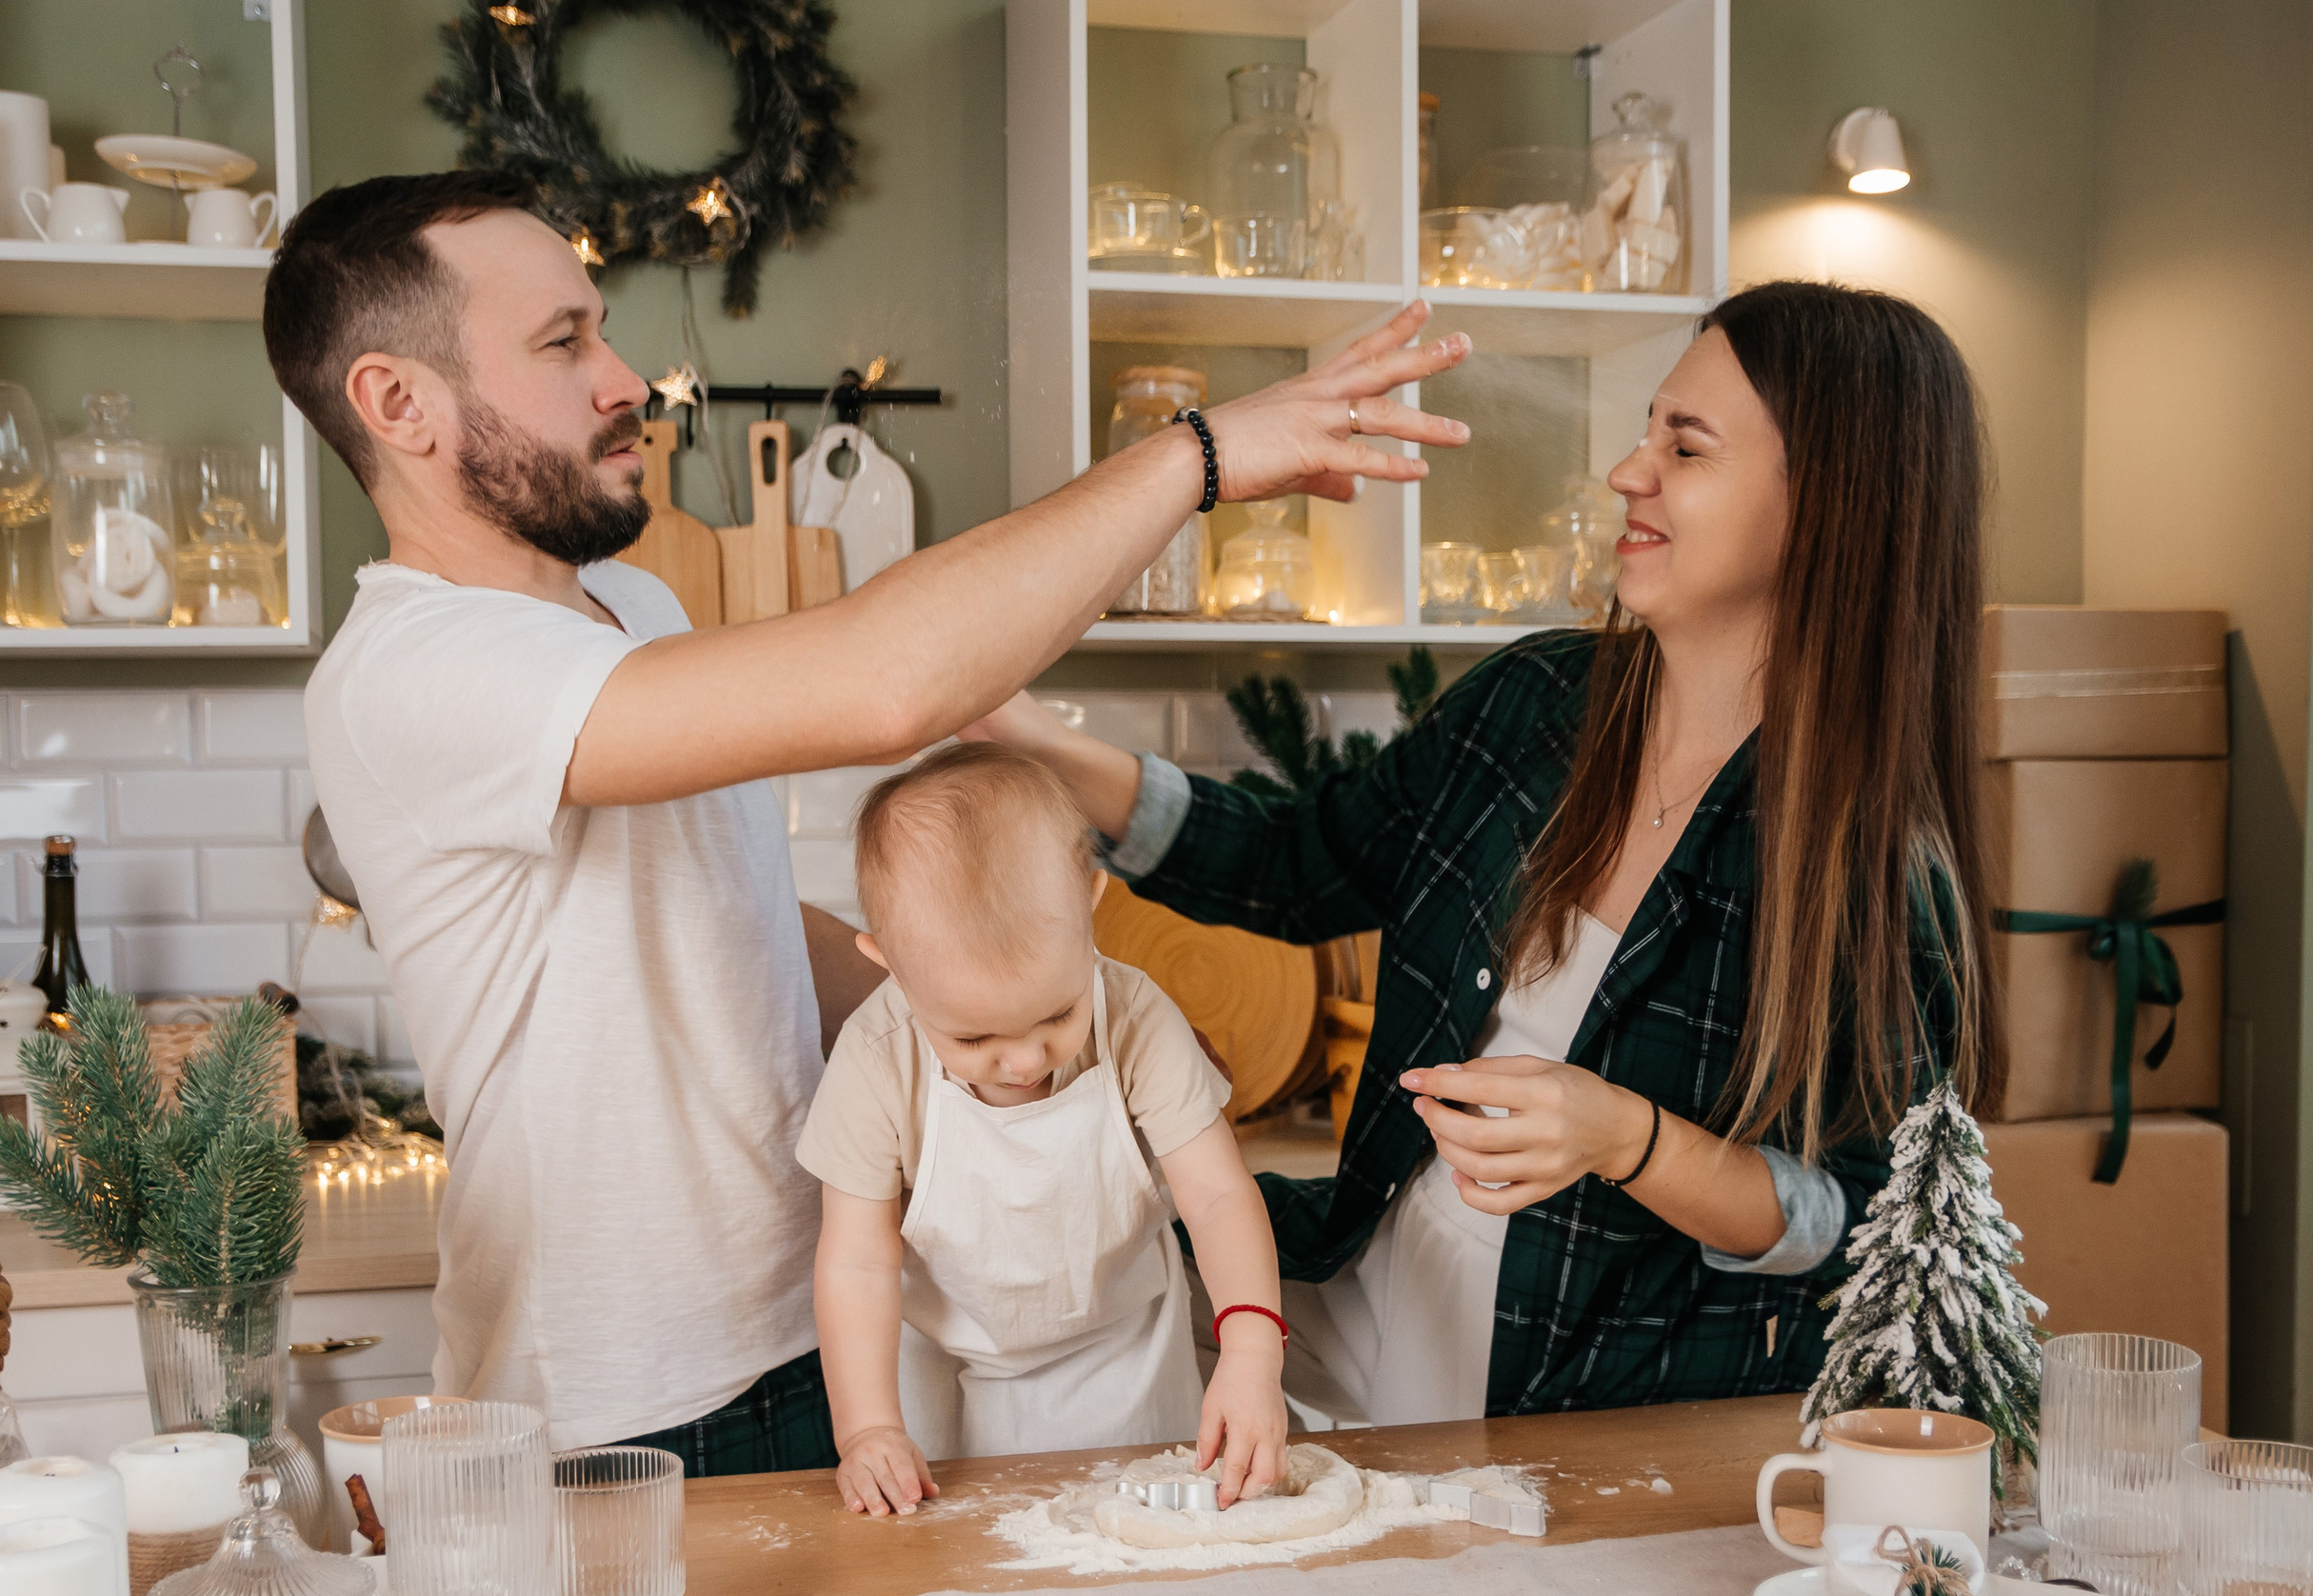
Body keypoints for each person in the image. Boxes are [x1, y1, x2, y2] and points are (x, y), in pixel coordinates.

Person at [265, 170, 1471, 1469]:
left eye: (601, 326)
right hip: (631, 1399)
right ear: (397, 401)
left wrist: (1039, 1013)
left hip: (824, 1325)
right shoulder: (413, 665)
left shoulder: (633, 607)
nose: (625, 378)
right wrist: (1202, 457)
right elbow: (895, 680)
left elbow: (724, 929)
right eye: (564, 342)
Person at [966, 280, 2001, 1426]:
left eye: (1686, 447)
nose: (1628, 472)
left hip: (1583, 1402)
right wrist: (1033, 743)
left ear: (1828, 508)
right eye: (1646, 428)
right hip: (1363, 1302)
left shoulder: (1872, 870)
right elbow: (1301, 860)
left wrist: (1627, 1138)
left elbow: (1852, 1221)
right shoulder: (1534, 702)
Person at [805, 745, 1286, 1516]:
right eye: (973, 1039)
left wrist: (1253, 1349)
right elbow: (857, 1263)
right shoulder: (873, 1061)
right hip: (951, 1378)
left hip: (1127, 1360)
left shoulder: (1134, 1015)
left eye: (1059, 1013)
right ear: (889, 965)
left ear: (1090, 902)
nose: (1026, 1058)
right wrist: (867, 1427)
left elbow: (1220, 1196)